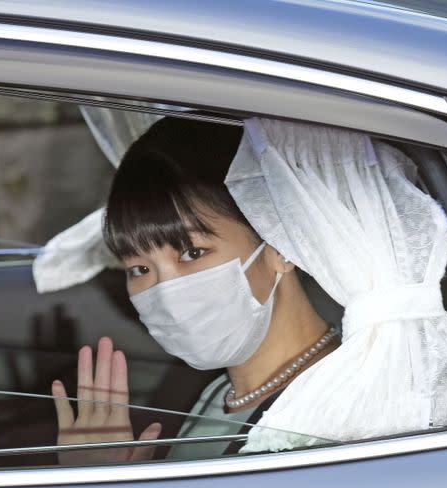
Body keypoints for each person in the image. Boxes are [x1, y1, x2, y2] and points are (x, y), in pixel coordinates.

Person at [50, 117, 340, 464]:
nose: (167, 292)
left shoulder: (326, 418)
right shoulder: (213, 390)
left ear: (280, 242)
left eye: (192, 253)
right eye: (140, 269)